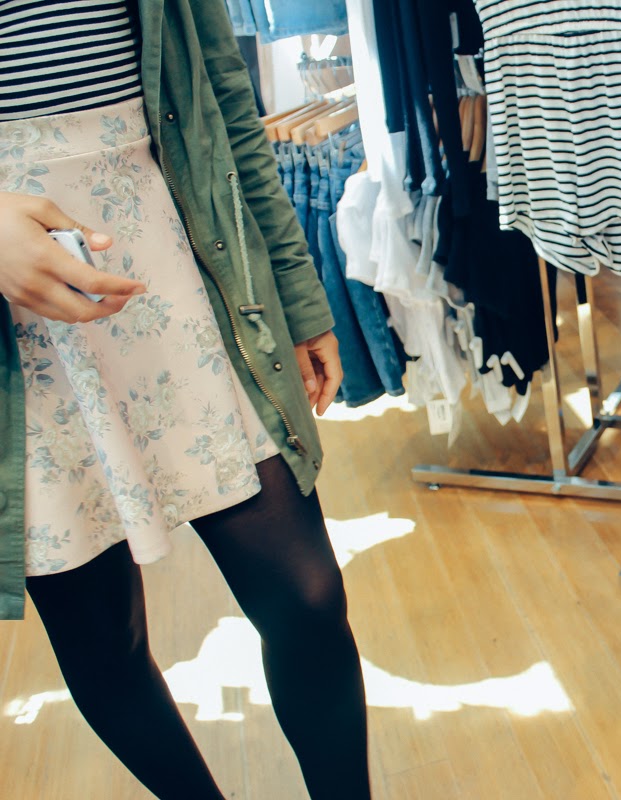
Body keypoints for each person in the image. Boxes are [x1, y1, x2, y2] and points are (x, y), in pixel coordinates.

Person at [0, 0, 371, 797]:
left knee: (307, 597)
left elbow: (227, 103)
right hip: (18, 330)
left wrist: (297, 295)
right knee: (104, 642)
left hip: (181, 258)